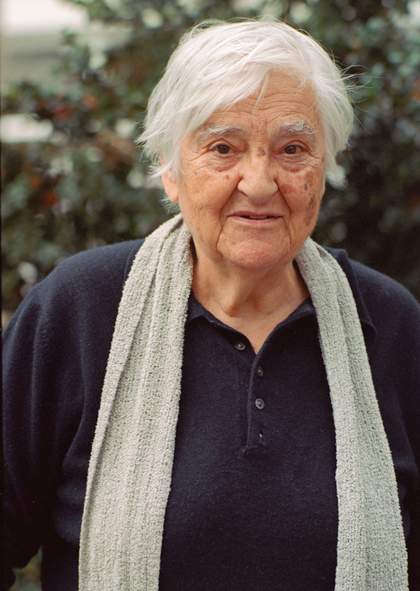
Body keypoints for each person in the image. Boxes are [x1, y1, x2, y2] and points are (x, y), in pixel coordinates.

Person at [2, 19, 419, 591]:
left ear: (325, 168)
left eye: (292, 149)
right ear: (171, 172)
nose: (260, 182)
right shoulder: (79, 312)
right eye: (223, 148)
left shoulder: (392, 326)